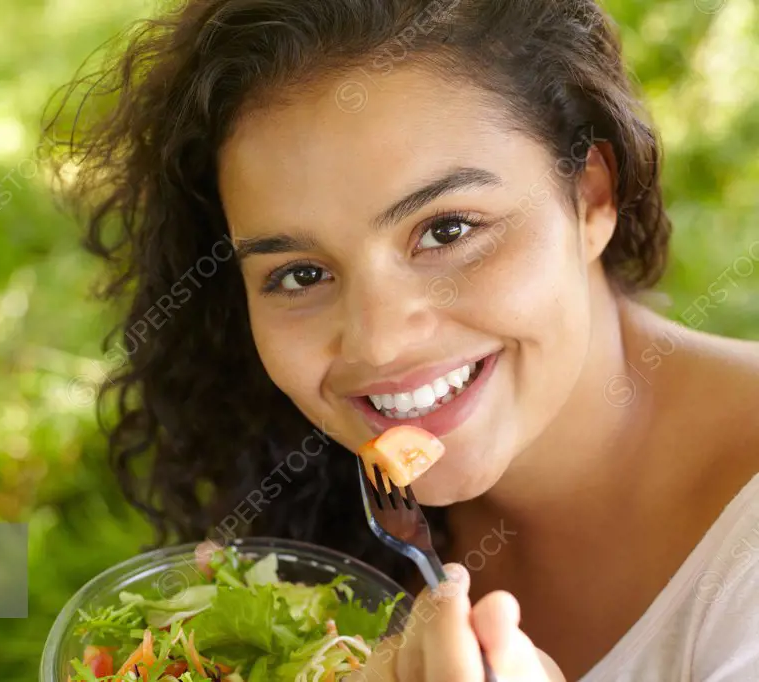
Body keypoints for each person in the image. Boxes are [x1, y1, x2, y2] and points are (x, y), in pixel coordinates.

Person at [44, 0, 759, 679]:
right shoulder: (326, 513)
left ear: (591, 196)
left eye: (447, 231)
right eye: (300, 273)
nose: (378, 345)